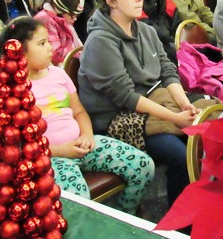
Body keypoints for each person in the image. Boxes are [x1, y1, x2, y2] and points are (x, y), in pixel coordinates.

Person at [78, 0, 210, 207]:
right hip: (116, 118)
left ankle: (199, 209)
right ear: (111, 2)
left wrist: (184, 105)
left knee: (202, 133)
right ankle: (178, 224)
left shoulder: (146, 31)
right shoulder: (100, 41)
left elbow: (168, 71)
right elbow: (125, 95)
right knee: (181, 155)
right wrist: (175, 118)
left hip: (150, 102)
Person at [1, 17, 155, 215]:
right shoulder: (11, 91)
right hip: (50, 158)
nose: (50, 48)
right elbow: (16, 146)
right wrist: (59, 150)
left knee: (143, 166)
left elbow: (79, 111)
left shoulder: (57, 74)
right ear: (20, 52)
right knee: (80, 202)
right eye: (42, 43)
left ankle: (123, 216)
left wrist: (87, 135)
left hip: (83, 144)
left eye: (48, 41)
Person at [34, 0, 84, 65]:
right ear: (60, 9)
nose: (75, 19)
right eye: (72, 15)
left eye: (77, 15)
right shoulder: (45, 20)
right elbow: (56, 55)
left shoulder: (65, 20)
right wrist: (70, 41)